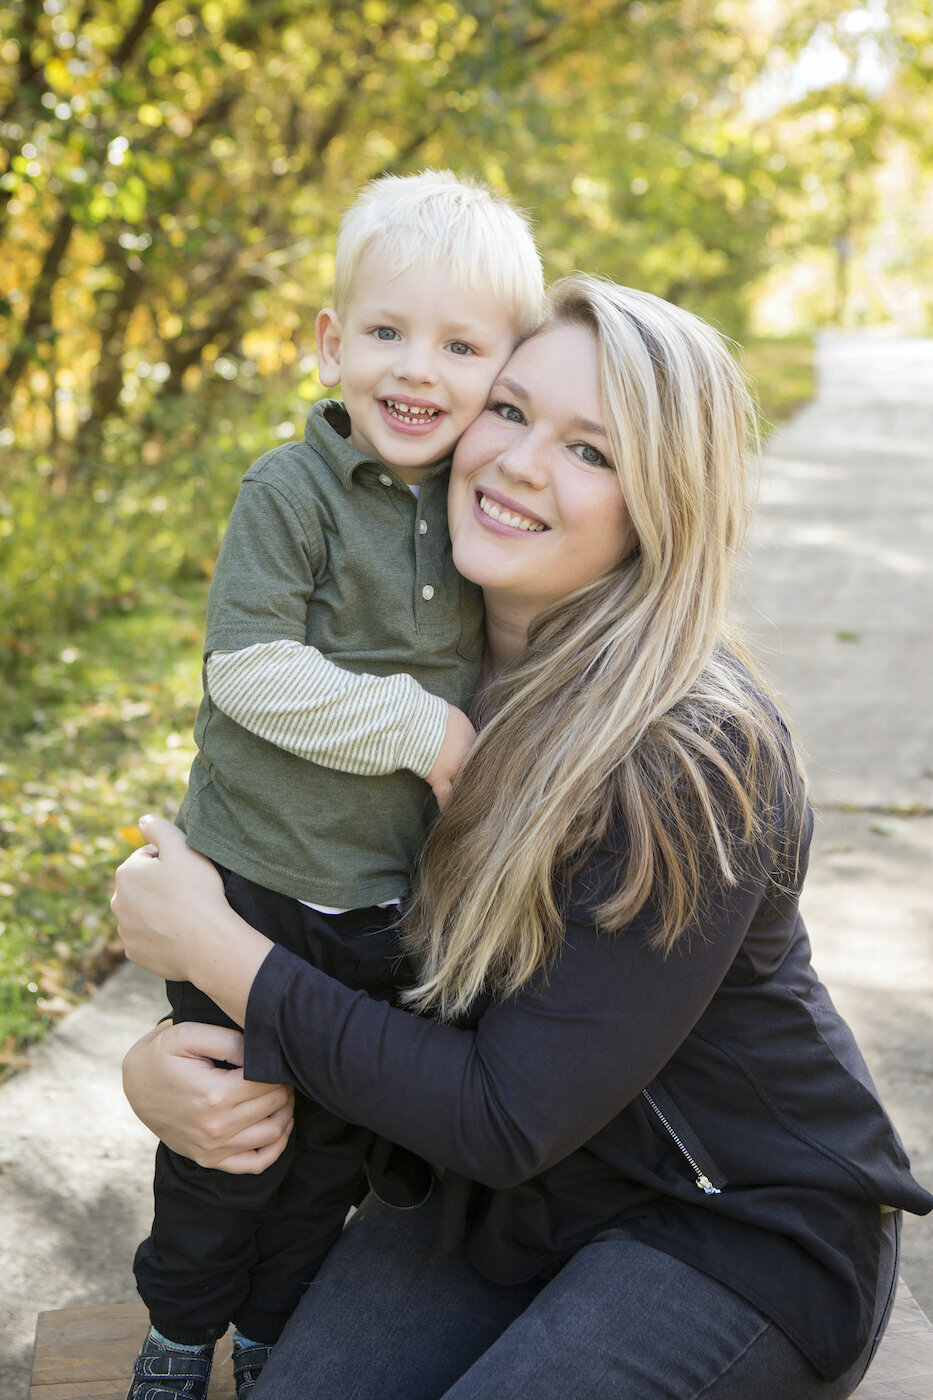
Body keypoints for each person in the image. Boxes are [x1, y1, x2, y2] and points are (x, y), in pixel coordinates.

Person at [114, 275, 933, 1400]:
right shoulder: (384, 684)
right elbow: (311, 930)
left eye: (593, 452)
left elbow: (503, 1110)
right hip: (488, 1204)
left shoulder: (693, 753)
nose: (520, 463)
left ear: (663, 504)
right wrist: (164, 1068)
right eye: (508, 410)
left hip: (725, 1220)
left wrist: (217, 954)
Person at [124, 169, 544, 1400]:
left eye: (459, 345)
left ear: (501, 372)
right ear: (331, 342)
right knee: (229, 1142)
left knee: (332, 1149)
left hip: (378, 905)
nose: (418, 369)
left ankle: (270, 1339)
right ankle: (176, 1330)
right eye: (386, 332)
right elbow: (250, 669)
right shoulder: (291, 490)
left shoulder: (476, 509)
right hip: (254, 885)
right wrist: (426, 727)